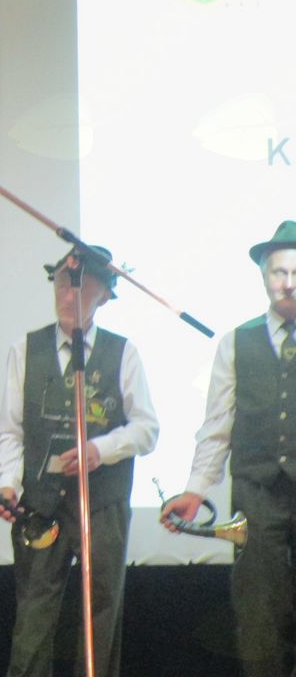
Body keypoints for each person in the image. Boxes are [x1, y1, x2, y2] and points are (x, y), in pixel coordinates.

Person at [0, 247, 159, 677]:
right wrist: (7, 483)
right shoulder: (25, 349)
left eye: (81, 286)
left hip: (102, 503)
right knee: (33, 613)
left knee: (101, 612)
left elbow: (147, 429)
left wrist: (101, 450)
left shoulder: (124, 353)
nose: (68, 295)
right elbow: (11, 431)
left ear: (104, 295)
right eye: (63, 284)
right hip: (41, 504)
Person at [161, 221, 296, 677]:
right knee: (258, 612)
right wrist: (195, 490)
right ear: (263, 276)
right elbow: (217, 425)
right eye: (278, 272)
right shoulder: (236, 342)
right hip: (256, 494)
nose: (288, 283)